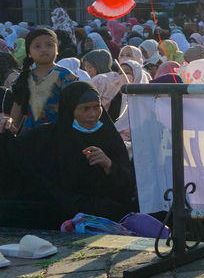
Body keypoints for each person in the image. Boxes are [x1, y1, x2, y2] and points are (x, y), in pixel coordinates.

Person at [0, 82, 135, 227]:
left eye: (97, 107)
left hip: (98, 204)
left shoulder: (108, 137)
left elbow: (127, 185)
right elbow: (13, 152)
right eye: (85, 109)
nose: (93, 114)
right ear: (70, 109)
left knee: (115, 211)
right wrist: (4, 128)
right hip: (59, 203)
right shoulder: (48, 135)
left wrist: (109, 166)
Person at [7, 29, 78, 133]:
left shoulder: (66, 76)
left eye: (49, 45)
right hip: (30, 137)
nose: (44, 49)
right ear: (29, 53)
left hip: (59, 136)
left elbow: (76, 109)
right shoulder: (24, 78)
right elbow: (17, 111)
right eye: (37, 46)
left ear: (57, 49)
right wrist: (11, 137)